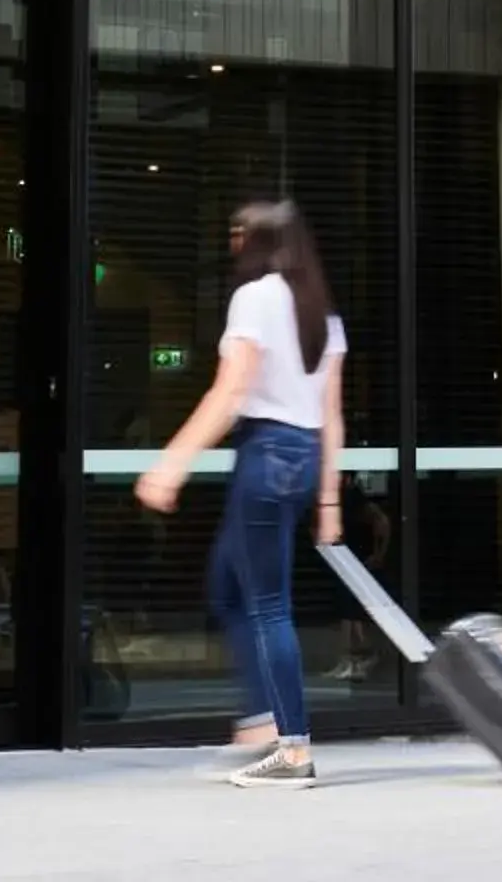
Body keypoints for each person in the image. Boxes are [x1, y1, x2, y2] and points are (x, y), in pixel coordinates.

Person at [136, 201, 347, 789]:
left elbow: (230, 393)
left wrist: (172, 464)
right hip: (300, 456)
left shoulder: (255, 298)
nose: (232, 243)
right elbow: (331, 415)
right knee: (228, 585)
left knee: (268, 606)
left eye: (240, 233)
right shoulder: (319, 312)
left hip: (267, 453)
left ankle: (293, 750)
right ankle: (260, 724)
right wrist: (328, 499)